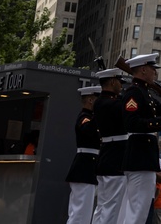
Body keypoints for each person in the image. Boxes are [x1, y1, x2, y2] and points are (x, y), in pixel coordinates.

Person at [120, 53, 161, 224]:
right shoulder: (134, 93)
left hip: (143, 157)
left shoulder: (144, 93)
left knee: (138, 209)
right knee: (138, 210)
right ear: (143, 70)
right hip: (139, 156)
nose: (155, 73)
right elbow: (132, 123)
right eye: (152, 69)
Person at [92, 67, 128, 224]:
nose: (121, 86)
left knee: (103, 207)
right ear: (112, 81)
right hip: (116, 160)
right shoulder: (110, 103)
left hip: (108, 158)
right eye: (120, 82)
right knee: (112, 208)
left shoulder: (101, 101)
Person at [65, 85, 102, 224]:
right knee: (80, 212)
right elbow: (87, 129)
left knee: (86, 211)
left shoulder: (92, 118)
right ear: (91, 100)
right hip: (84, 168)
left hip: (90, 167)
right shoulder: (84, 118)